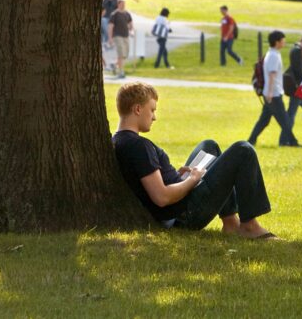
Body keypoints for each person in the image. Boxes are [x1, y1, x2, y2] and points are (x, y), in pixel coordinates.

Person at [112, 82, 276, 237]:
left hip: (177, 204)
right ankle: (249, 226)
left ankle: (231, 223)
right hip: (182, 215)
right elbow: (161, 197)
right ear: (138, 109)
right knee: (243, 150)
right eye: (152, 110)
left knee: (209, 146)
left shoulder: (118, 140)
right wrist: (192, 180)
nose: (154, 117)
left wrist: (176, 177)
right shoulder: (138, 146)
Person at [248, 31, 299, 147]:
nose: (284, 42)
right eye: (283, 40)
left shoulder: (273, 54)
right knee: (284, 120)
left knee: (264, 120)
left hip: (271, 93)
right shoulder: (273, 56)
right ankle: (292, 142)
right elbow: (271, 75)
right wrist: (270, 93)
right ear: (277, 42)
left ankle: (251, 140)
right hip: (273, 94)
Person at [285, 34, 302, 131]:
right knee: (292, 112)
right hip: (297, 87)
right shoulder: (297, 51)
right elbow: (298, 70)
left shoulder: (298, 50)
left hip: (299, 86)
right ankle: (285, 137)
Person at [108, 0, 134, 79]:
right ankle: (121, 72)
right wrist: (110, 38)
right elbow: (110, 26)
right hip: (117, 36)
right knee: (121, 54)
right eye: (122, 4)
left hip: (125, 36)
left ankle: (114, 65)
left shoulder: (127, 14)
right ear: (118, 4)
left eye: (124, 4)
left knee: (125, 55)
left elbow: (130, 23)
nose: (123, 5)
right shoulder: (114, 14)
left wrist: (131, 30)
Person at [102, 0, 119, 72]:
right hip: (105, 17)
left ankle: (110, 40)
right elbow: (103, 7)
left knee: (110, 29)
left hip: (112, 17)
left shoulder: (116, 0)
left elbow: (117, 8)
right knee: (105, 29)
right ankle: (107, 41)